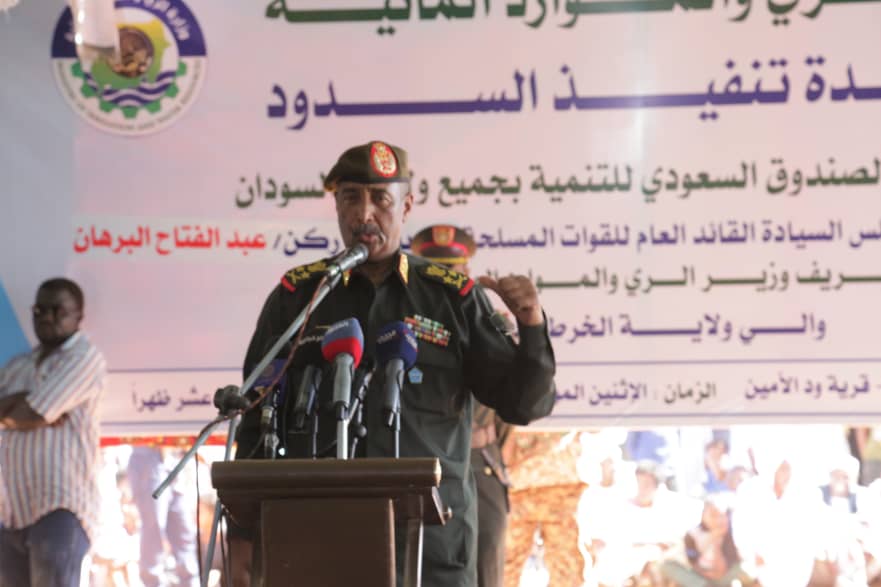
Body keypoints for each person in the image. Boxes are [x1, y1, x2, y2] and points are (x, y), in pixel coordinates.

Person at [231, 140, 557, 587]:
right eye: (351, 197)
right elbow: (256, 418)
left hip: (431, 549)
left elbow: (525, 404)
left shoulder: (451, 298)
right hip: (318, 542)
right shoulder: (299, 297)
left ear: (405, 206)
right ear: (337, 206)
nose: (364, 213)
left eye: (380, 199)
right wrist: (242, 540)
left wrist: (532, 325)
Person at [410, 223, 514, 587]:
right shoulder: (406, 324)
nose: (445, 278)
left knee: (483, 569)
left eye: (452, 270)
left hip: (478, 464)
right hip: (424, 464)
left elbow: (509, 407)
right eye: (436, 269)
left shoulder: (491, 324)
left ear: (467, 270)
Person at [0, 277, 107, 587]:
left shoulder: (84, 357)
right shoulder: (18, 366)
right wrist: (25, 402)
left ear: (78, 316)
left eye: (58, 311)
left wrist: (25, 408)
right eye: (40, 310)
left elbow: (33, 413)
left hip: (60, 507)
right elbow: (33, 411)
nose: (47, 317)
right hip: (12, 511)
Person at [128, 445, 200, 587]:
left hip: (174, 458)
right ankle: (152, 583)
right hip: (149, 456)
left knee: (184, 533)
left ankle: (190, 582)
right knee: (154, 533)